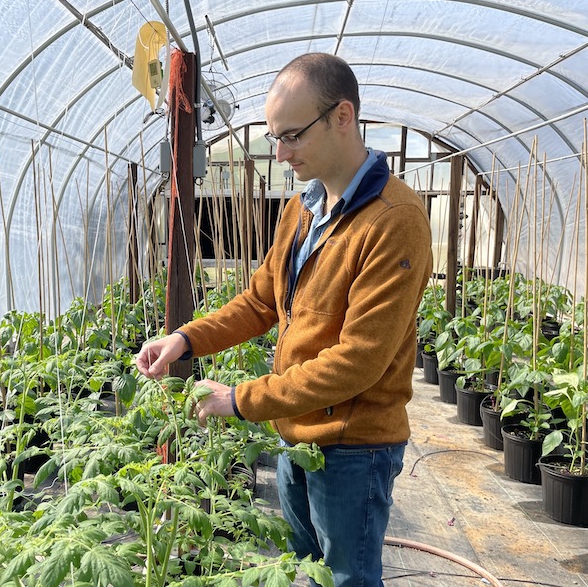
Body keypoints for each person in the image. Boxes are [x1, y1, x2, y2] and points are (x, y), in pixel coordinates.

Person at [135, 52, 433, 587]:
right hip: (293, 434)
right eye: (276, 136)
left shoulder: (395, 221)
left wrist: (239, 399)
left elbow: (359, 361)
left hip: (352, 447)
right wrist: (184, 339)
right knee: (304, 570)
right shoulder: (303, 209)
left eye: (292, 135)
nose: (280, 151)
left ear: (343, 116)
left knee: (346, 579)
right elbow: (261, 302)